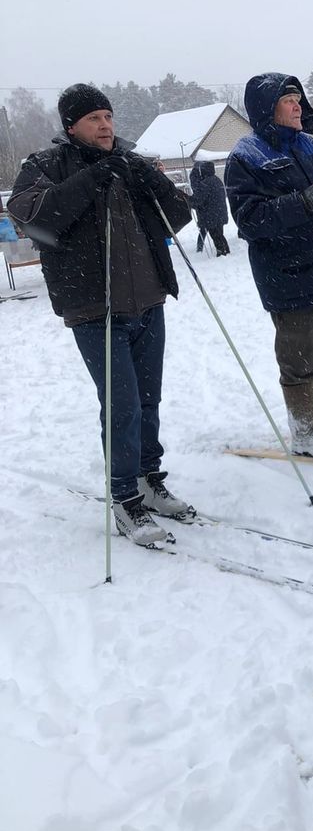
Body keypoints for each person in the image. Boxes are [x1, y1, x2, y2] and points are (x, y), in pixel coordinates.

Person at [8, 84, 193, 545]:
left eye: (109, 116)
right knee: (122, 403)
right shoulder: (44, 166)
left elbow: (179, 216)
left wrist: (152, 180)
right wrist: (93, 178)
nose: (106, 125)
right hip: (94, 306)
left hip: (148, 299)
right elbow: (34, 218)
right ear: (71, 126)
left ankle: (149, 479)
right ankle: (125, 496)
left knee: (149, 398)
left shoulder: (130, 162)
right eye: (94, 118)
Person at [224, 74, 313, 459]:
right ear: (265, 108)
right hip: (287, 275)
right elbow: (250, 219)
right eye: (287, 99)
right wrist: (304, 202)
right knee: (300, 361)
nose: (297, 106)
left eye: (298, 98)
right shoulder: (246, 155)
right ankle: (309, 433)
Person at [189, 159, 230, 256]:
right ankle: (226, 251)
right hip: (220, 213)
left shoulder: (205, 183)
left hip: (211, 216)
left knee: (216, 235)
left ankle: (222, 253)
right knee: (219, 234)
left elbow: (198, 199)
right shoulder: (217, 180)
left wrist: (189, 201)